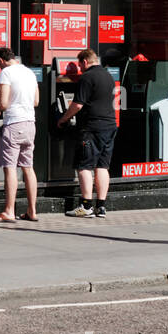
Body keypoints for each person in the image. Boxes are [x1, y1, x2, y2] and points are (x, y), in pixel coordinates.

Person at [57, 48, 116, 219]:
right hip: (110, 125)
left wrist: (63, 119)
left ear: (84, 62)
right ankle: (101, 206)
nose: (80, 69)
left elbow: (77, 104)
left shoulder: (87, 77)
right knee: (103, 166)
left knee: (84, 166)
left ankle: (86, 206)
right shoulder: (108, 75)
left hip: (92, 127)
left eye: (79, 65)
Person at [0, 47, 39, 223]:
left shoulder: (6, 73)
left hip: (14, 124)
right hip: (30, 123)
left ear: (1, 61)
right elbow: (36, 101)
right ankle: (32, 211)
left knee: (10, 168)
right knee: (28, 168)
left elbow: (3, 103)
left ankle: (9, 211)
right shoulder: (29, 72)